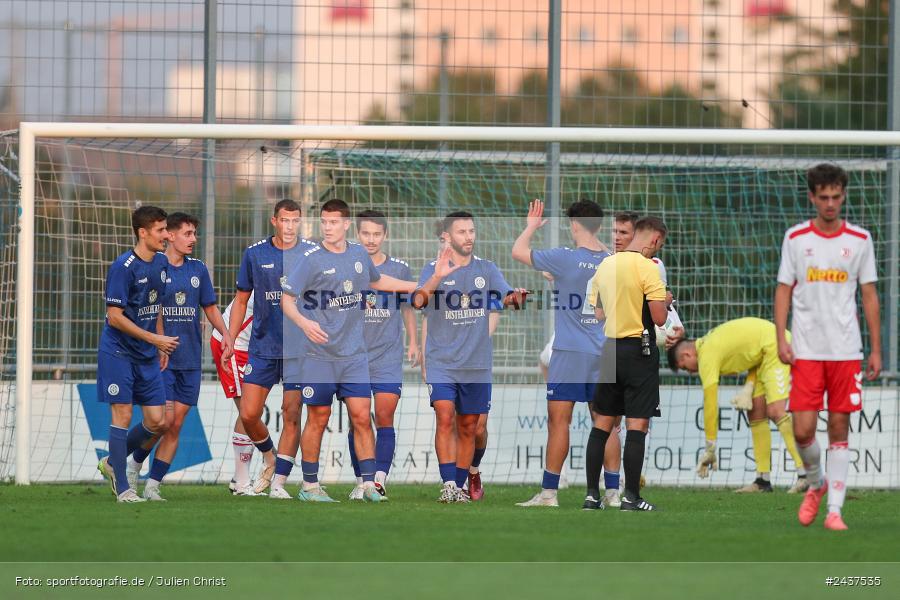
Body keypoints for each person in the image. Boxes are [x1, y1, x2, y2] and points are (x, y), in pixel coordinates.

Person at [281, 199, 417, 503]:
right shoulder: (311, 259)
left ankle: (369, 485)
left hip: (354, 355)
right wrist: (304, 323)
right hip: (320, 355)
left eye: (333, 222)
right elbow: (286, 300)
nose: (327, 228)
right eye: (324, 222)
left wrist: (417, 285)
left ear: (345, 225)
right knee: (318, 417)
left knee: (360, 416)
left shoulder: (357, 253)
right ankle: (310, 486)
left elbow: (379, 282)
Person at [775, 163, 881, 531]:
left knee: (839, 427)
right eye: (824, 197)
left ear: (843, 195)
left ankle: (834, 510)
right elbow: (783, 289)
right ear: (812, 197)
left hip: (846, 352)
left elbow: (869, 295)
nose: (831, 203)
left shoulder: (860, 240)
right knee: (802, 430)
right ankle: (816, 482)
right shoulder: (796, 238)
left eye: (836, 197)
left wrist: (876, 349)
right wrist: (780, 338)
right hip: (805, 351)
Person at [412, 211, 527, 503]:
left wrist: (516, 298)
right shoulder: (433, 268)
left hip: (476, 364)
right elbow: (418, 301)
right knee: (445, 417)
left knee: (470, 426)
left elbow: (507, 297)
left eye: (471, 231)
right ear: (448, 237)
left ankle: (462, 483)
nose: (469, 237)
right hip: (442, 362)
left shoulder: (487, 270)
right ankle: (449, 484)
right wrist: (438, 276)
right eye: (462, 232)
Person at [125, 212, 233, 500]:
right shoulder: (156, 267)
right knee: (163, 419)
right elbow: (153, 307)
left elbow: (209, 307)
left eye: (195, 234)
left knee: (175, 424)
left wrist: (226, 335)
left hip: (190, 359)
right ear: (170, 235)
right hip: (163, 359)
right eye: (187, 233)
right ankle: (132, 464)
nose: (193, 239)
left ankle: (153, 485)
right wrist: (159, 343)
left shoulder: (197, 269)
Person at [511, 199, 610, 508]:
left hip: (569, 351)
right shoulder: (612, 259)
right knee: (606, 422)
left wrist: (530, 227)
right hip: (606, 350)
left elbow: (518, 251)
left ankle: (549, 494)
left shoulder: (564, 258)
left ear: (574, 225)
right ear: (600, 226)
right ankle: (614, 493)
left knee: (559, 422)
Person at [229, 199, 316, 498]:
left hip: (299, 350)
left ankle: (278, 482)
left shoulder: (311, 253)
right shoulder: (255, 253)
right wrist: (230, 336)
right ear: (274, 221)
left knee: (291, 414)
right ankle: (269, 456)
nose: (290, 226)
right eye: (285, 220)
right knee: (250, 413)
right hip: (263, 347)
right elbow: (241, 300)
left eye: (295, 221)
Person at [667, 317, 808, 493]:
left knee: (776, 411)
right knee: (755, 411)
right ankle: (763, 481)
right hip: (765, 354)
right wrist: (749, 385)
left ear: (686, 355)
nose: (690, 371)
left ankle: (806, 474)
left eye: (685, 367)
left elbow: (710, 403)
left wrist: (710, 446)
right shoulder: (708, 344)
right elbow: (753, 353)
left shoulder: (707, 355)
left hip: (776, 347)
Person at [585, 216, 669, 511]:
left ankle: (591, 497)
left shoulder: (606, 265)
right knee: (637, 425)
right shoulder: (649, 268)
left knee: (602, 424)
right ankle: (631, 497)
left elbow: (598, 313)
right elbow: (659, 318)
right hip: (638, 351)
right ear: (655, 240)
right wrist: (665, 300)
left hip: (609, 349)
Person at [96, 206, 179, 502]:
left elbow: (153, 304)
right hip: (118, 351)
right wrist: (155, 338)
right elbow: (115, 316)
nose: (167, 236)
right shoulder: (123, 266)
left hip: (145, 353)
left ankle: (111, 462)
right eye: (160, 230)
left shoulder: (160, 263)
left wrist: (155, 342)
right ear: (142, 233)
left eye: (167, 229)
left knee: (158, 421)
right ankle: (123, 486)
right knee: (123, 413)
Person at [346, 209, 418, 500]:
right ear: (357, 234)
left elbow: (407, 307)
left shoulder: (399, 269)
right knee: (358, 420)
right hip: (353, 356)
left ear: (385, 236)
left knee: (384, 415)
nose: (371, 239)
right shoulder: (347, 265)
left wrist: (414, 342)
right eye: (366, 233)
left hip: (387, 354)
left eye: (377, 234)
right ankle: (360, 480)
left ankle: (378, 480)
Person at [210, 292, 256, 494]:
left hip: (250, 348)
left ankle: (239, 478)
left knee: (252, 411)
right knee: (248, 411)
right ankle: (242, 482)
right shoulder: (270, 281)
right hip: (232, 345)